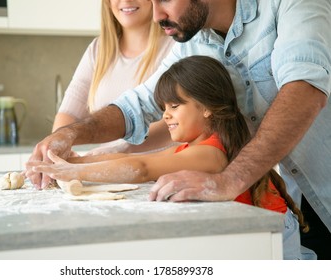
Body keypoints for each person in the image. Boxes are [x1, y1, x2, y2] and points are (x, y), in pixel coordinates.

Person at [27, 0, 331, 259]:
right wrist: (70, 136)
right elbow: (139, 103)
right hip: (299, 200)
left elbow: (305, 89)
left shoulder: (292, 4)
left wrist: (231, 179)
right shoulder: (198, 42)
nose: (156, 15)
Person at [53, 0, 175, 154]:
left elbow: (174, 120)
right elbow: (69, 113)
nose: (125, 1)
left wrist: (114, 152)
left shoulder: (176, 47)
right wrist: (56, 145)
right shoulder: (98, 50)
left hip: (159, 172)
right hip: (106, 169)